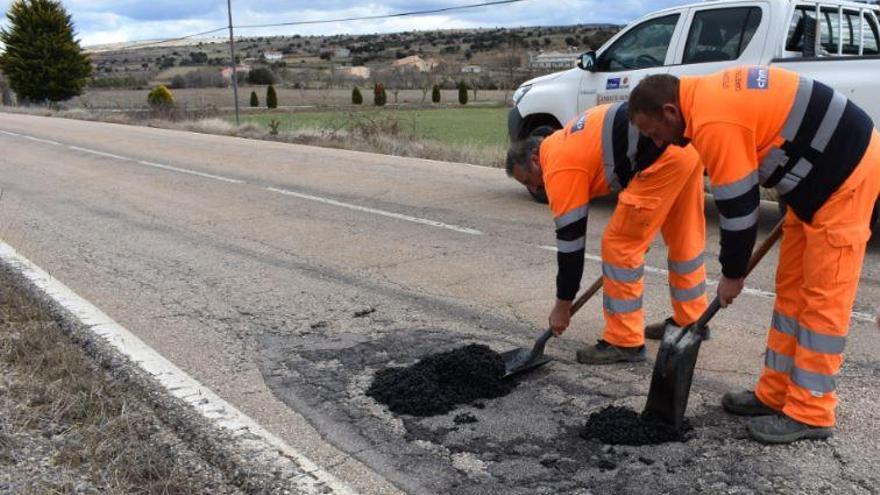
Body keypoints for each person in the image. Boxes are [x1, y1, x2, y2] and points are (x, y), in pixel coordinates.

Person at [628, 65, 880, 444]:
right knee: (791, 288)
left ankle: (812, 410)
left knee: (823, 298)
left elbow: (740, 208)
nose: (659, 142)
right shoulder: (702, 101)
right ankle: (775, 393)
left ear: (669, 112)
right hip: (810, 183)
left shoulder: (713, 119)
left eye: (655, 132)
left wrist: (732, 275)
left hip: (846, 178)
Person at [506, 102, 707, 364]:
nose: (534, 186)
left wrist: (562, 307)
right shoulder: (564, 140)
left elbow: (571, 246)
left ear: (535, 158)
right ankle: (691, 320)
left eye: (528, 179)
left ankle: (624, 341)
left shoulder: (557, 167)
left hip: (661, 157)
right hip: (685, 147)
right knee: (685, 236)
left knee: (620, 245)